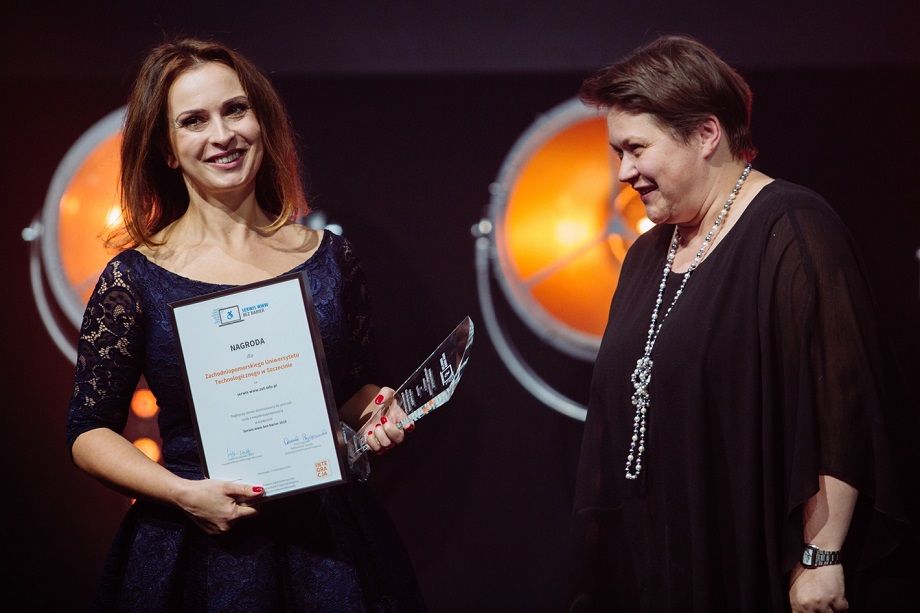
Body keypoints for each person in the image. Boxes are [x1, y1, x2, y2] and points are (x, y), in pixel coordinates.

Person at [66, 37, 426, 612]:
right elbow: (88, 431)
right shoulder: (135, 278)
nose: (223, 135)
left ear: (262, 119)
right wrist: (183, 495)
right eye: (193, 121)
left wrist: (378, 409)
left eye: (236, 110)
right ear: (165, 148)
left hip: (328, 546)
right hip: (195, 548)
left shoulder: (330, 259)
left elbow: (355, 390)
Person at [569, 35, 916, 612]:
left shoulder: (794, 228)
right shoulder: (645, 255)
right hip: (654, 561)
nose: (624, 171)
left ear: (706, 134)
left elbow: (842, 404)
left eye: (636, 148)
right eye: (617, 152)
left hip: (749, 558)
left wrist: (821, 556)